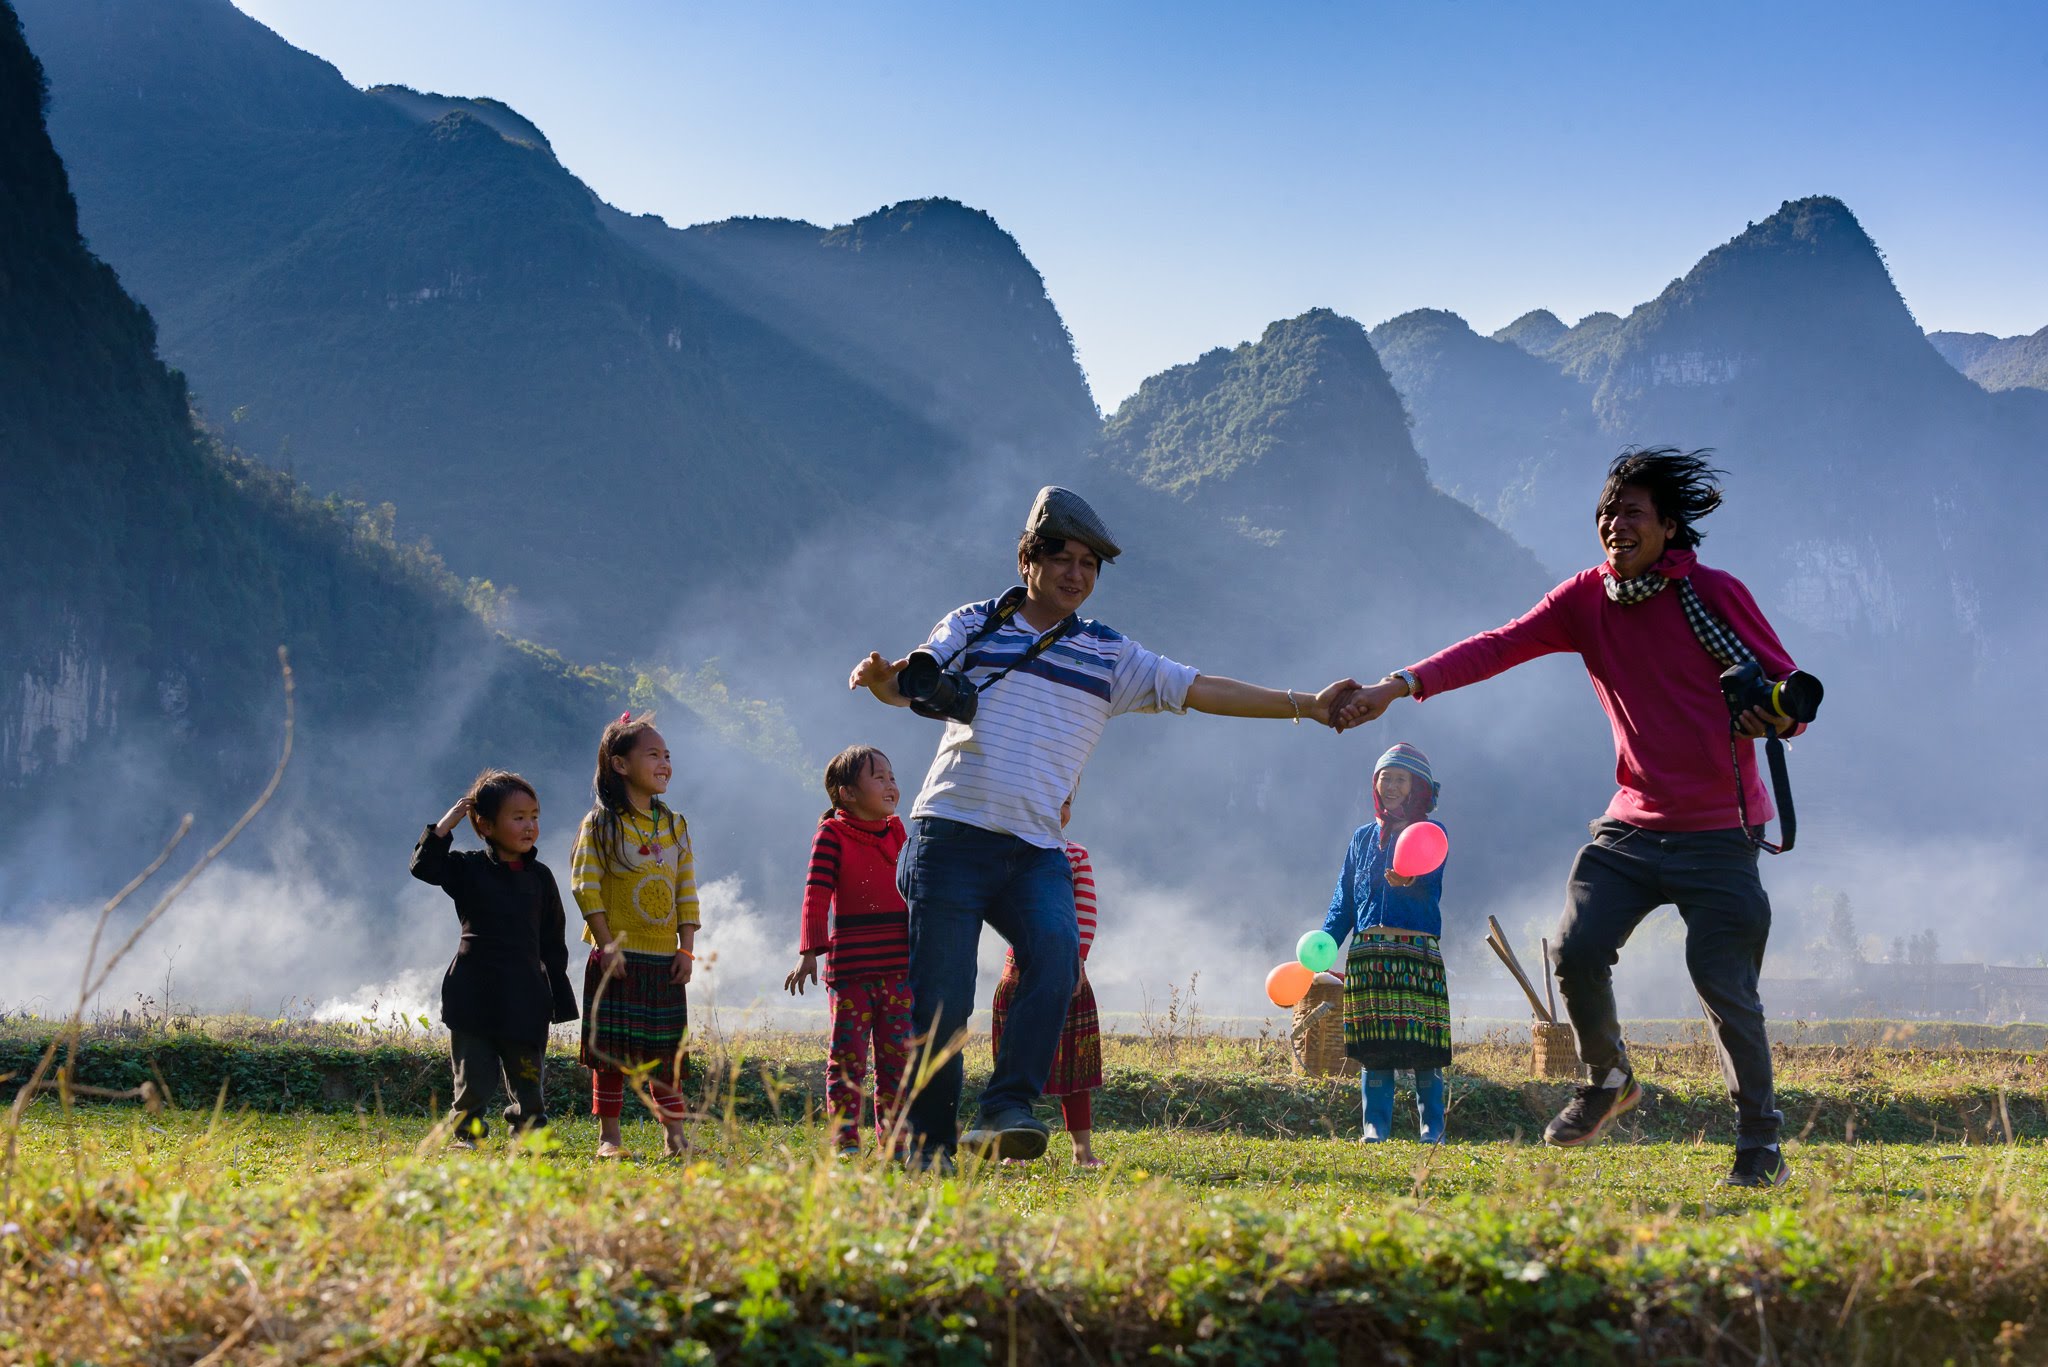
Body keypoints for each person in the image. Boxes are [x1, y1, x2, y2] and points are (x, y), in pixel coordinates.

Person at [1338, 449, 1812, 1188]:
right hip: (1632, 822)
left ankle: (1760, 1142)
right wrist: (1397, 686)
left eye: (1633, 513)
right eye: (1607, 514)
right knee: (1576, 946)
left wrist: (1773, 716)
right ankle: (1608, 1077)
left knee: (1721, 980)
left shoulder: (1715, 595)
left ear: (1668, 526)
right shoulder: (1586, 599)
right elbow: (1498, 645)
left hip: (1720, 826)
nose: (1616, 526)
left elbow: (1788, 693)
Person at [849, 485, 1361, 1168]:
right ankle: (927, 1145)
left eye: (1090, 564)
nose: (1076, 574)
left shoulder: (1108, 654)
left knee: (1057, 955)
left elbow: (1201, 688)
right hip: (951, 834)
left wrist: (1308, 704)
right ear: (1026, 558)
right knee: (943, 998)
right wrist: (884, 681)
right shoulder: (974, 623)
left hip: (1035, 848)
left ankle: (1006, 1105)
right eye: (1062, 557)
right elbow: (915, 677)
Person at [409, 769, 578, 1149]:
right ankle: (466, 1134)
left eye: (534, 816)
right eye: (518, 817)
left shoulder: (540, 878)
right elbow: (424, 867)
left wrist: (559, 998)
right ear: (485, 825)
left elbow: (554, 941)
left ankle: (529, 1133)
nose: (529, 826)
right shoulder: (468, 869)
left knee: (527, 1075)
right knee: (472, 1075)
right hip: (473, 991)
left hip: (525, 995)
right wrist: (446, 825)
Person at [570, 713, 699, 1159]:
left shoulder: (675, 825)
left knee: (667, 1055)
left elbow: (686, 889)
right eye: (653, 754)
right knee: (610, 1053)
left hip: (664, 961)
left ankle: (675, 1138)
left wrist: (687, 948)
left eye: (667, 755)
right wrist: (606, 944)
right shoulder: (601, 826)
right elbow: (585, 886)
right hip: (617, 960)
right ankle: (610, 1138)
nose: (664, 763)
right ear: (620, 765)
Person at [785, 745, 913, 1157]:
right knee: (848, 1060)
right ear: (847, 794)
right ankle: (845, 1142)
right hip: (851, 972)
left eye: (891, 775)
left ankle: (895, 1141)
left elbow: (914, 889)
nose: (890, 784)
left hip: (898, 967)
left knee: (897, 1060)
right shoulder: (832, 835)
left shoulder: (898, 831)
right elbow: (816, 894)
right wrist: (809, 951)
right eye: (878, 777)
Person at [1319, 744, 1450, 1143]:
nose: (1391, 786)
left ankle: (1433, 1128)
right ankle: (1375, 1126)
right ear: (1375, 784)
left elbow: (1430, 882)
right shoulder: (1362, 838)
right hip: (1368, 951)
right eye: (1385, 777)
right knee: (1373, 1043)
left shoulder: (1432, 832)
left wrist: (1410, 881)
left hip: (1415, 950)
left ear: (1416, 787)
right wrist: (1325, 942)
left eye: (1400, 778)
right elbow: (1345, 897)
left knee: (1423, 1041)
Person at [990, 794, 1102, 1167]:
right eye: (1049, 798)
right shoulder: (1006, 853)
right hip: (1017, 974)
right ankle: (1014, 1150)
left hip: (1068, 975)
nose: (1059, 810)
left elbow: (1085, 914)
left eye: (1067, 801)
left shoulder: (1075, 855)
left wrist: (1075, 962)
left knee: (1076, 1067)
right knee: (1014, 1062)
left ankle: (1082, 1151)